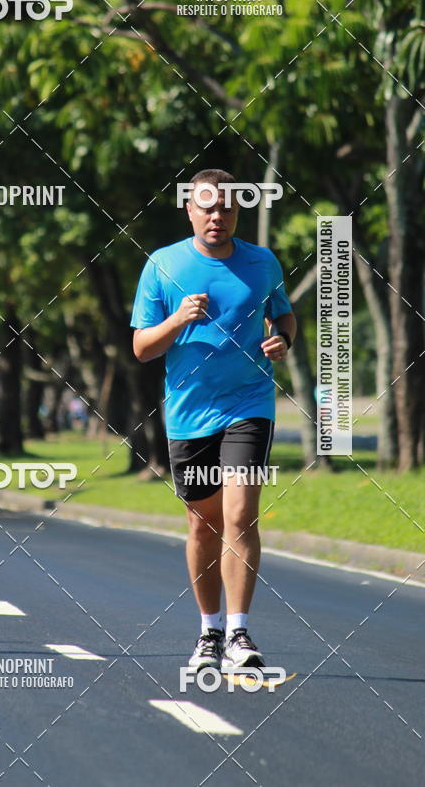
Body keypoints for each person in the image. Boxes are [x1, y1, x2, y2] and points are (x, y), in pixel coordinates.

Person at [130, 169, 296, 672]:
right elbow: (141, 348)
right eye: (207, 207)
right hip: (189, 413)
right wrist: (178, 319)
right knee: (203, 525)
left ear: (237, 211)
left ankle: (239, 634)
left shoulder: (262, 262)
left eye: (226, 207)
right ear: (190, 210)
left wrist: (283, 339)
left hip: (249, 404)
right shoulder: (163, 265)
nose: (217, 216)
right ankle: (210, 631)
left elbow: (283, 314)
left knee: (240, 516)